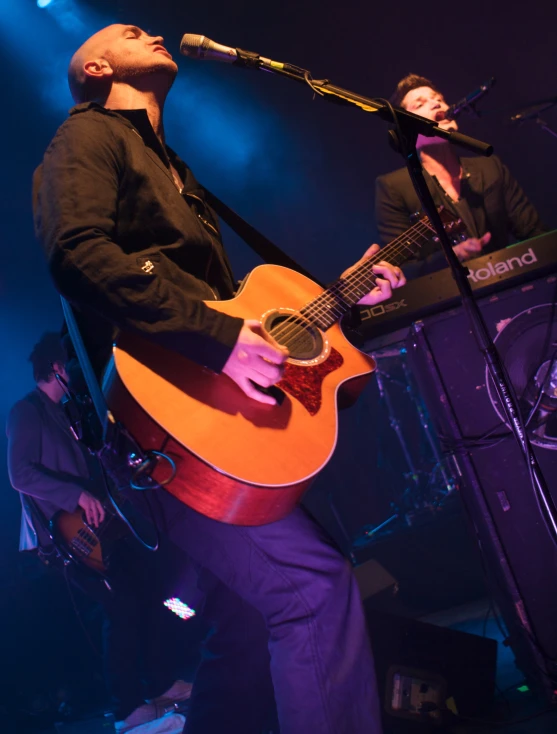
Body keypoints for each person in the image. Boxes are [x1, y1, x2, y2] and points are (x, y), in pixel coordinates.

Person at [32, 24, 407, 734]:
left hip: (204, 419)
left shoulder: (174, 169)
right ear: (96, 67)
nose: (146, 27)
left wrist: (342, 304)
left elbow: (246, 316)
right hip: (163, 425)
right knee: (310, 588)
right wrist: (219, 339)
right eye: (125, 31)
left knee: (242, 621)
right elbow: (75, 252)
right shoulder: (87, 137)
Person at [6, 332, 193, 733]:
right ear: (57, 368)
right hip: (68, 536)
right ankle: (126, 708)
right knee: (121, 608)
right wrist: (74, 494)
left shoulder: (68, 413)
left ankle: (160, 685)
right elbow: (19, 473)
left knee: (150, 592)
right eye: (69, 365)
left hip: (101, 525)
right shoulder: (26, 411)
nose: (76, 371)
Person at [375, 73, 547, 276]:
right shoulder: (394, 187)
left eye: (438, 99)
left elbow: (534, 233)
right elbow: (402, 269)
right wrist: (451, 256)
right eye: (419, 105)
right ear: (406, 131)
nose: (436, 104)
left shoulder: (490, 167)